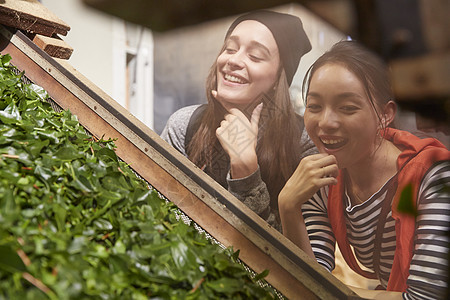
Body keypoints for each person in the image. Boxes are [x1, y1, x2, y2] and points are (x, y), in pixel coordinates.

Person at [278, 40, 450, 299]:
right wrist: (288, 207)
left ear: (384, 114)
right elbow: (307, 280)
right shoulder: (322, 178)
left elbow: (426, 297)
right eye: (314, 106)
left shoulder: (433, 179)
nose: (326, 123)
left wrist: (333, 289)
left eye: (347, 108)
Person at [161, 10, 317, 230]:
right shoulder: (184, 124)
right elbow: (160, 215)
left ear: (278, 78)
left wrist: (246, 173)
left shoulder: (305, 143)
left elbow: (296, 258)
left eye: (255, 56)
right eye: (229, 49)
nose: (233, 60)